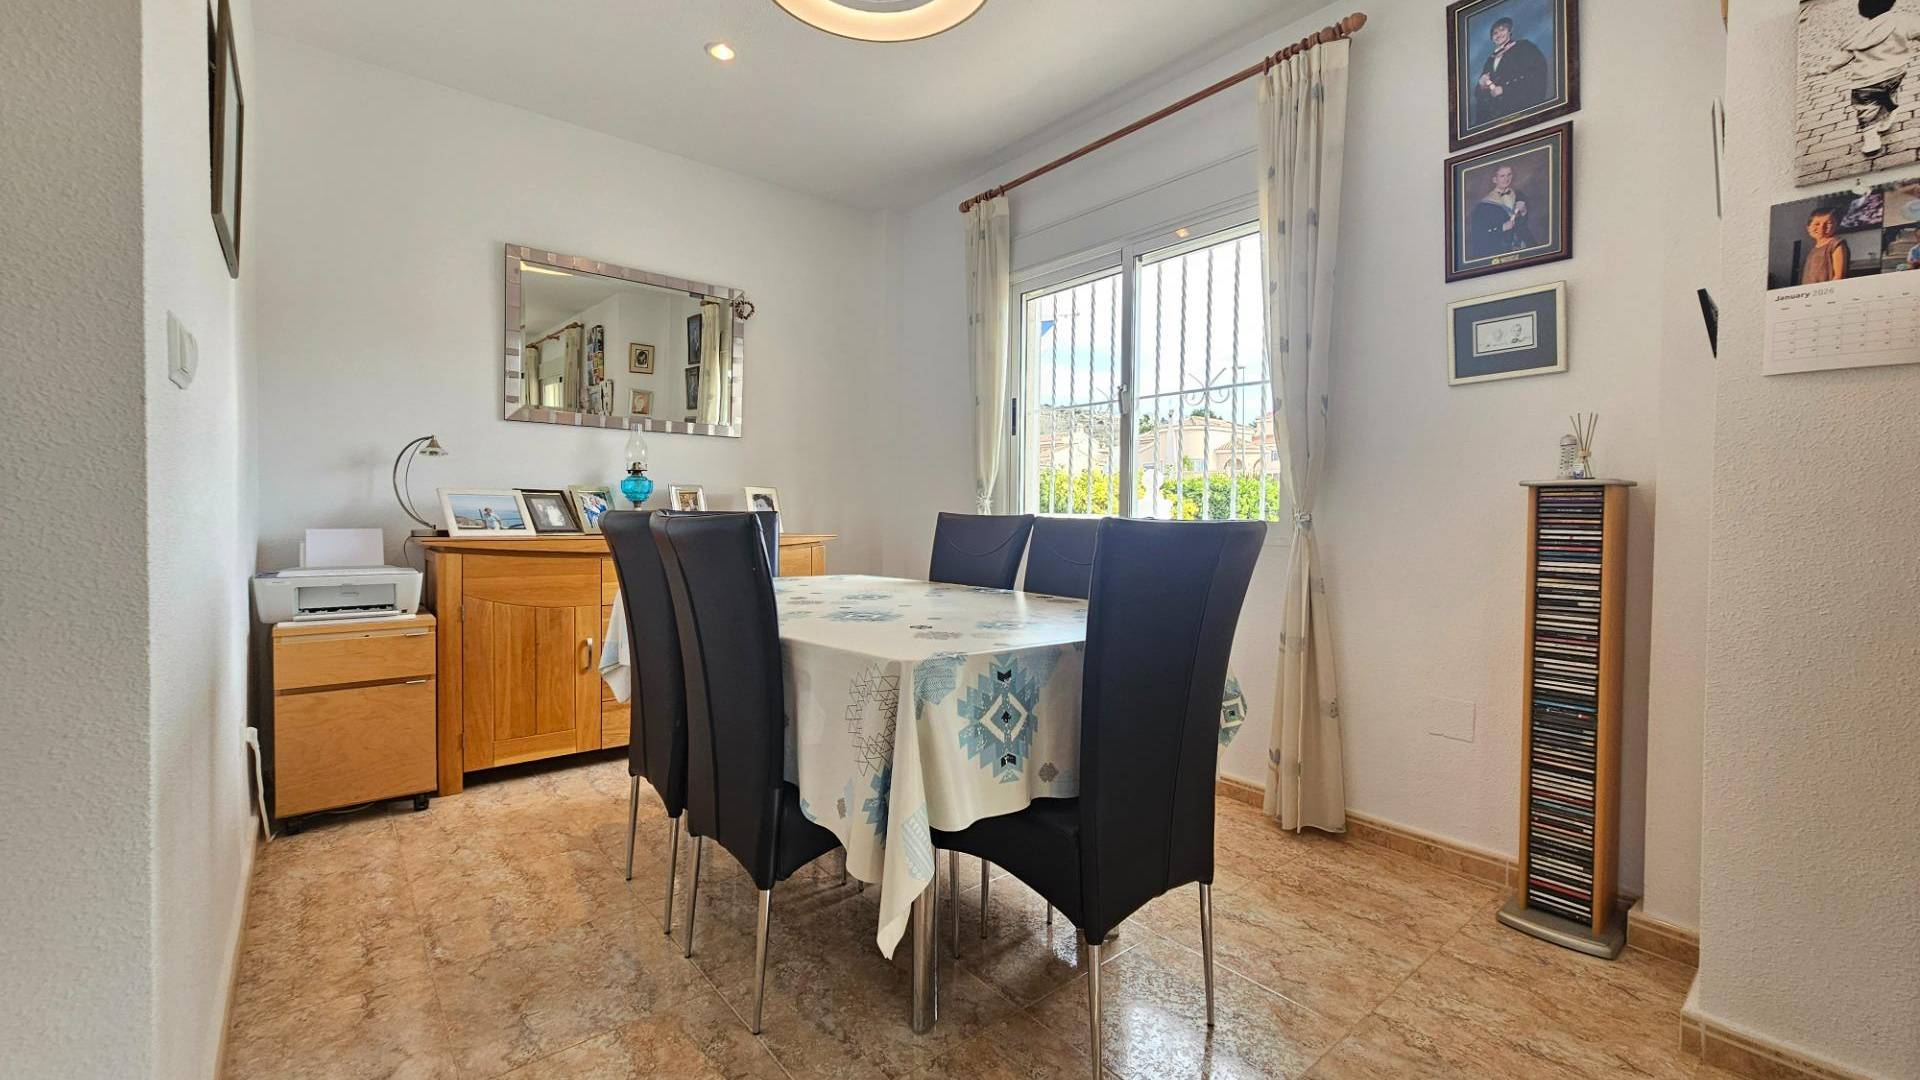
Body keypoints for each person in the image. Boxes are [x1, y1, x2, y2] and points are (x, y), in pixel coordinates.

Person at [1825, 0, 1918, 158]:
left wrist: (1825, 68)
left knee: (1865, 109)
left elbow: (1844, 56)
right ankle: (1888, 113)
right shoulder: (1902, 20)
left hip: (1865, 82)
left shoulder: (1859, 33)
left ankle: (1871, 138)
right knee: (1888, 94)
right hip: (1895, 74)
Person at [1473, 15, 1552, 125]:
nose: (1498, 35)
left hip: (1520, 107)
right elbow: (1478, 94)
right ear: (1492, 39)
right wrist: (1481, 84)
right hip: (1497, 115)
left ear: (1509, 31)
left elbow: (1536, 74)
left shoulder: (1524, 47)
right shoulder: (1490, 60)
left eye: (1502, 30)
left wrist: (1505, 89)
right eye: (1495, 33)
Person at [1467, 164, 1537, 262]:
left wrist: (1523, 211)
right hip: (1500, 250)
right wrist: (1502, 227)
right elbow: (1479, 234)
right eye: (1502, 176)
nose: (1506, 179)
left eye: (1509, 175)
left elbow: (1523, 222)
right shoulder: (1484, 206)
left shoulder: (1519, 195)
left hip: (1522, 246)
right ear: (1494, 179)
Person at [1800, 209, 1852, 284]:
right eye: (1817, 224)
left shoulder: (1836, 244)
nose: (1822, 227)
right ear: (1808, 228)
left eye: (1828, 223)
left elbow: (1839, 276)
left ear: (1836, 226)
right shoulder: (1814, 249)